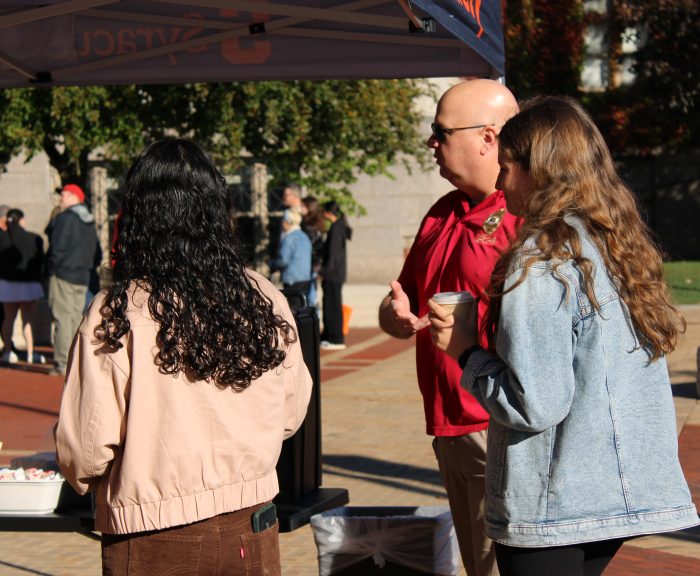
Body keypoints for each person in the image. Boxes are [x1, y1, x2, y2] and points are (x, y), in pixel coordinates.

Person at [428, 96, 698, 576]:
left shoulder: (541, 258)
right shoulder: (614, 241)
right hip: (619, 489)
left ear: (540, 172)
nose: (499, 180)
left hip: (556, 501)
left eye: (507, 167)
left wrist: (465, 350)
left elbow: (535, 403)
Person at [55, 139, 313, 576]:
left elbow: (86, 448)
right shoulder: (261, 295)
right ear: (216, 210)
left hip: (155, 534)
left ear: (137, 217)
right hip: (252, 522)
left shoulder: (117, 311)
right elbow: (292, 412)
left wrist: (86, 480)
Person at [378, 79, 519, 576]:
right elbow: (400, 305)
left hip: (499, 427)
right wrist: (394, 319)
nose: (431, 143)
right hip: (446, 426)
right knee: (479, 567)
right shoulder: (441, 213)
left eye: (441, 132)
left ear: (488, 137)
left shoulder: (525, 219)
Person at [45, 183, 99, 376]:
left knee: (62, 318)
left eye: (65, 194)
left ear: (75, 197)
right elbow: (97, 253)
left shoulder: (65, 218)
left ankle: (61, 362)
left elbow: (56, 248)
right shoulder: (90, 221)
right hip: (82, 276)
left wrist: (51, 270)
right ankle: (76, 360)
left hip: (63, 274)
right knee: (76, 319)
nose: (61, 197)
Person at [0, 209, 46, 364]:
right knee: (27, 320)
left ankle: (7, 352)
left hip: (8, 284)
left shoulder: (2, 237)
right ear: (21, 220)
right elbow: (41, 262)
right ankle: (31, 354)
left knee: (8, 319)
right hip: (30, 285)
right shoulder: (34, 238)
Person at [320, 200, 352, 350]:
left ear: (327, 213)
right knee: (331, 305)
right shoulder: (338, 227)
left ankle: (335, 338)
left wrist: (324, 271)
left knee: (332, 306)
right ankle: (330, 336)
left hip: (333, 275)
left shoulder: (335, 229)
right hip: (335, 274)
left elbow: (333, 254)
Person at [270, 207, 313, 295]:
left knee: (294, 307)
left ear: (287, 222)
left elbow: (283, 260)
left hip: (292, 279)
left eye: (283, 220)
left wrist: (272, 263)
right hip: (306, 278)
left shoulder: (289, 238)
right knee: (303, 305)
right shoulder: (304, 236)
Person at [301, 196, 325, 308]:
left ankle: (313, 319)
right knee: (311, 294)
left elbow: (310, 245)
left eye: (303, 206)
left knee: (310, 296)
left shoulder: (309, 225)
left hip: (311, 263)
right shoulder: (316, 222)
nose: (300, 208)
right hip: (314, 263)